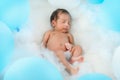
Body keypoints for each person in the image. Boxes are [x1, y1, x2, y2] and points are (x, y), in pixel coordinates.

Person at [42, 8, 83, 75]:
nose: (67, 25)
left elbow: (73, 45)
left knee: (78, 47)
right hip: (53, 55)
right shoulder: (50, 33)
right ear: (53, 23)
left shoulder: (68, 35)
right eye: (63, 22)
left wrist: (71, 46)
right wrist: (42, 53)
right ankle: (70, 69)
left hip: (66, 54)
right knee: (60, 53)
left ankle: (73, 59)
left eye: (69, 23)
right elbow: (43, 44)